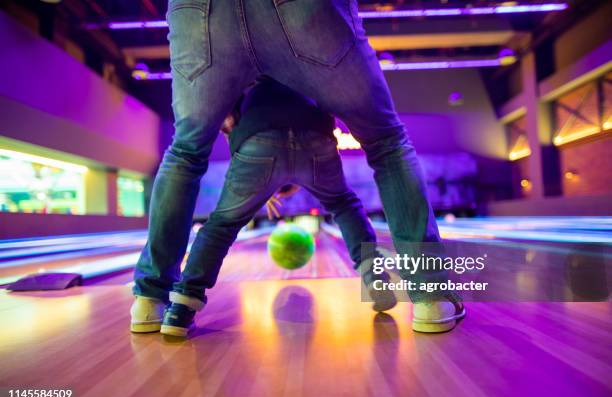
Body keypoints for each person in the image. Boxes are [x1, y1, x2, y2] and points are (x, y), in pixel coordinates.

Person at [131, 0, 464, 335]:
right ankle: (428, 294)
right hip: (315, 125)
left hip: (201, 11)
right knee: (385, 144)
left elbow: (257, 142)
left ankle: (154, 299)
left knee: (187, 156)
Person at [145, 79, 397, 336]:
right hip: (315, 135)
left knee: (222, 225)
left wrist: (265, 183)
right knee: (344, 204)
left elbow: (232, 122)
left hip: (257, 138)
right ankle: (375, 277)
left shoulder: (243, 65)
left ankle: (181, 307)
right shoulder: (303, 57)